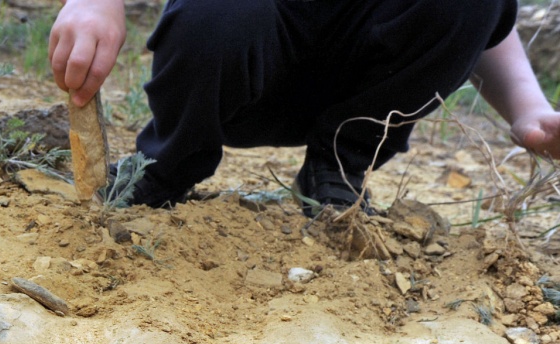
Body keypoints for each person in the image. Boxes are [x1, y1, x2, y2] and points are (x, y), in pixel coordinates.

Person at [49, 0, 560, 214]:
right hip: (232, 63)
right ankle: (165, 167)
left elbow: (484, 18)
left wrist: (528, 108)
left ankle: (335, 171)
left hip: (366, 88)